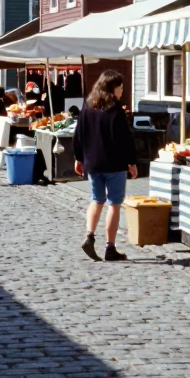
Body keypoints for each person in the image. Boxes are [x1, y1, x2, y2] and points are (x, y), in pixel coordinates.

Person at [73, 69, 137, 263]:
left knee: (96, 200)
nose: (122, 89)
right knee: (114, 204)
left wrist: (78, 157)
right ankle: (110, 247)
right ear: (112, 88)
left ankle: (89, 236)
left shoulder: (88, 106)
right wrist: (132, 162)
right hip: (114, 164)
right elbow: (124, 139)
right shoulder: (116, 110)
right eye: (120, 86)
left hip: (93, 162)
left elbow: (79, 134)